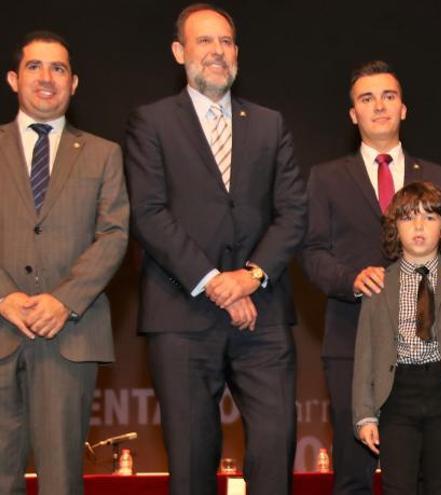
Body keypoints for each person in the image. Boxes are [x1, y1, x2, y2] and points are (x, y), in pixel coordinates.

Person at [123, 4, 306, 494]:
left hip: (262, 315)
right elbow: (149, 214)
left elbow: (293, 213)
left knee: (275, 449)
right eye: (204, 42)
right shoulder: (152, 122)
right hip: (182, 314)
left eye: (225, 42)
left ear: (237, 53)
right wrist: (214, 283)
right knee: (190, 462)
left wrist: (250, 277)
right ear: (180, 52)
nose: (217, 52)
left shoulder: (269, 124)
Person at [300, 60, 441, 494]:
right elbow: (311, 253)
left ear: (404, 109)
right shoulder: (325, 177)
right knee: (354, 471)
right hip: (351, 340)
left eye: (388, 96)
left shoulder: (437, 176)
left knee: (426, 477)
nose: (379, 106)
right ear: (352, 114)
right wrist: (350, 278)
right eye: (367, 98)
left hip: (432, 355)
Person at [0, 31, 129, 495]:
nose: (47, 78)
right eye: (35, 66)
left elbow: (114, 235)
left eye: (59, 69)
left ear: (74, 83)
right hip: (0, 326)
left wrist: (63, 301)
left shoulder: (103, 153)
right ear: (14, 79)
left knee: (62, 481)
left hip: (70, 333)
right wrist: (5, 297)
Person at [352, 181, 441, 495]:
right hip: (397, 397)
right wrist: (364, 414)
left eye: (430, 217)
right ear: (394, 228)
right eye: (408, 217)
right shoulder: (379, 283)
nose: (419, 225)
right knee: (397, 486)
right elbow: (365, 355)